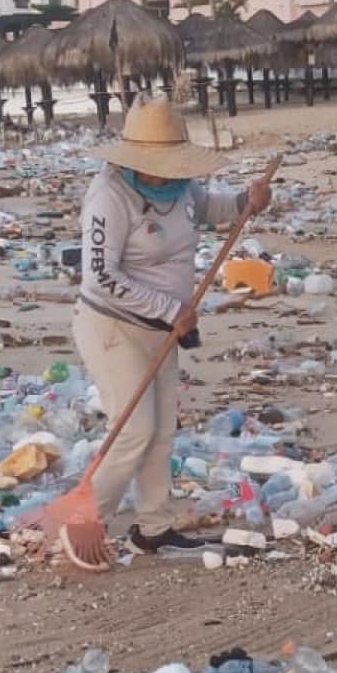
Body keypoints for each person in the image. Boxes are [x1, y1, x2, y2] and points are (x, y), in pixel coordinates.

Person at [74, 95, 272, 557]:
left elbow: (206, 210)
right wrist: (167, 307)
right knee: (135, 430)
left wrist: (247, 201)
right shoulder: (109, 196)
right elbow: (100, 276)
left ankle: (153, 527)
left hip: (163, 329)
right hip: (113, 326)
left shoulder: (180, 186)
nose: (168, 173)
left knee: (163, 431)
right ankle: (84, 521)